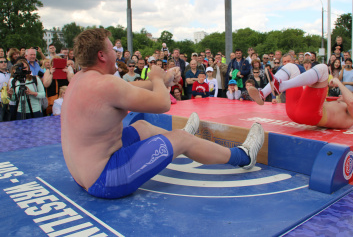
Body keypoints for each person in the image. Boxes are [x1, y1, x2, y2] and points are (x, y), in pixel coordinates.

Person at [61, 28, 264, 199]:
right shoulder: (105, 84)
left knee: (142, 127)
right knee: (181, 139)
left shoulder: (81, 78)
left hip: (83, 174)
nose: (116, 52)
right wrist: (157, 77)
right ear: (102, 55)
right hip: (104, 178)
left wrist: (163, 80)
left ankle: (180, 139)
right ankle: (244, 156)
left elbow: (129, 88)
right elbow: (163, 103)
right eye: (112, 49)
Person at [249, 63, 353, 129]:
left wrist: (338, 82)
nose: (340, 96)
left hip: (308, 115)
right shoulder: (340, 106)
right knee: (291, 67)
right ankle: (263, 93)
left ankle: (282, 86)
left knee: (323, 68)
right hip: (298, 111)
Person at [0, 56, 10, 122]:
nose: (4, 63)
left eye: (5, 62)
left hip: (9, 102)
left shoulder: (9, 74)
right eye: (1, 62)